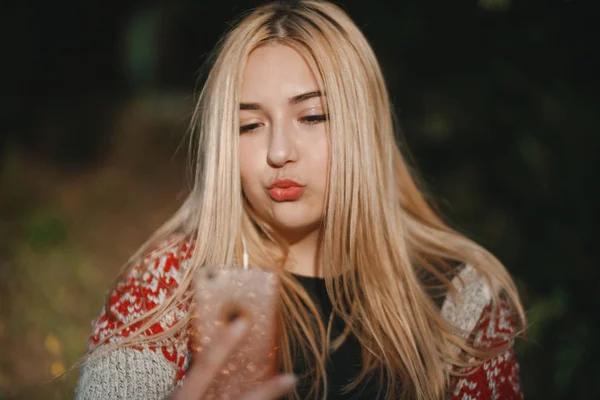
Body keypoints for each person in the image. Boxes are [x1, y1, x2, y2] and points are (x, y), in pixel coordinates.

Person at [75, 1, 526, 399]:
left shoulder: (457, 297)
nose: (278, 152)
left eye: (311, 116)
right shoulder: (169, 284)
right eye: (249, 125)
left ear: (363, 126)